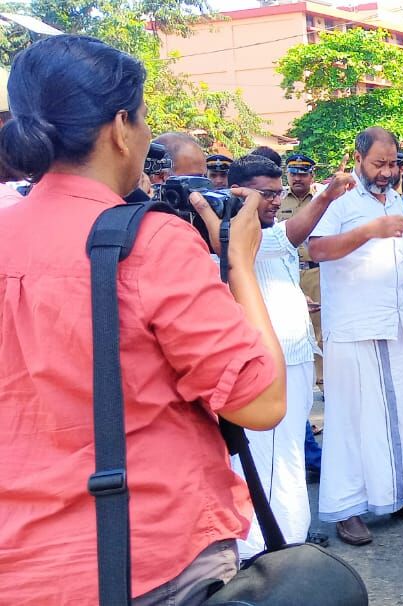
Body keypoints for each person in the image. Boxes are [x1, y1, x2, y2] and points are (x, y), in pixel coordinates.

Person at [0, 35, 286, 603]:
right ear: (120, 125)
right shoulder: (149, 243)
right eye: (147, 120)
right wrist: (241, 265)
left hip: (21, 563)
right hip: (150, 556)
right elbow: (260, 403)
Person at [192, 155, 355, 557]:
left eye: (275, 192)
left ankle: (291, 538)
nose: (272, 200)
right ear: (238, 192)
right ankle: (257, 548)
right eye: (264, 194)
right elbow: (288, 238)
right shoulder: (232, 233)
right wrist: (329, 196)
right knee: (260, 458)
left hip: (297, 357)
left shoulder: (266, 231)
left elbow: (280, 259)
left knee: (289, 457)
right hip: (261, 364)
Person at [307, 127, 403, 546]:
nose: (386, 172)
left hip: (396, 323)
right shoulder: (339, 201)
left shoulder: (397, 201)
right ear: (359, 156)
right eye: (378, 164)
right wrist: (370, 230)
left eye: (392, 164)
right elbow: (317, 249)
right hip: (353, 326)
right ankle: (347, 510)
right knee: (351, 419)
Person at [279, 152, 324, 481]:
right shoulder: (276, 201)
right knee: (297, 360)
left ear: (312, 174)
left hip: (319, 279)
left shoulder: (323, 199)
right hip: (287, 278)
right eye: (293, 172)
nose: (298, 177)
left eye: (303, 172)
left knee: (324, 357)